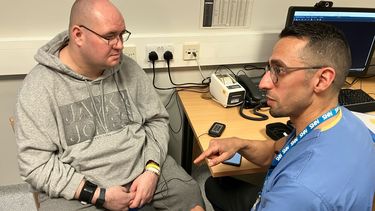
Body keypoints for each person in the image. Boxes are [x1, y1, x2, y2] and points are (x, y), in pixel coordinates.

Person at [14, 0, 205, 210]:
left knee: (190, 195)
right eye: (109, 36)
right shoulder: (39, 86)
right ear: (78, 35)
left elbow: (157, 120)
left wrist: (152, 169)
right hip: (81, 186)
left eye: (122, 34)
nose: (120, 44)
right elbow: (35, 164)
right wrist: (97, 194)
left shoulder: (129, 69)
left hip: (142, 168)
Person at [194, 22, 375, 210]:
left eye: (279, 70)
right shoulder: (344, 121)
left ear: (322, 80)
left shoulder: (299, 191)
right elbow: (276, 149)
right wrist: (240, 144)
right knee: (214, 185)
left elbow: (297, 193)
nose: (263, 83)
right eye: (269, 69)